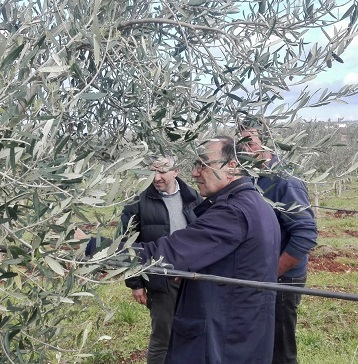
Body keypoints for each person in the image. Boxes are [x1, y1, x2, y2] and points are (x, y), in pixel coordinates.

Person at [133, 136, 281, 364]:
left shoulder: (232, 213)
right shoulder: (256, 205)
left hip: (223, 339)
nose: (194, 173)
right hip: (243, 332)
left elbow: (169, 253)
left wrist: (100, 252)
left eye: (203, 164)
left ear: (232, 166)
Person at [240, 127, 319, 364]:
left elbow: (305, 235)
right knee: (261, 343)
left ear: (268, 142)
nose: (246, 149)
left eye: (251, 142)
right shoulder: (250, 177)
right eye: (242, 143)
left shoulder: (285, 181)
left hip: (283, 279)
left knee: (281, 349)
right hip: (261, 275)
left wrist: (272, 273)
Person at [121, 156, 203, 364]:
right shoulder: (137, 202)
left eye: (162, 171)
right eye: (152, 172)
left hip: (191, 278)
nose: (156, 177)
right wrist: (135, 283)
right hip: (160, 279)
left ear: (175, 171)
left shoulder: (193, 197)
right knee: (162, 337)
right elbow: (124, 244)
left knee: (193, 332)